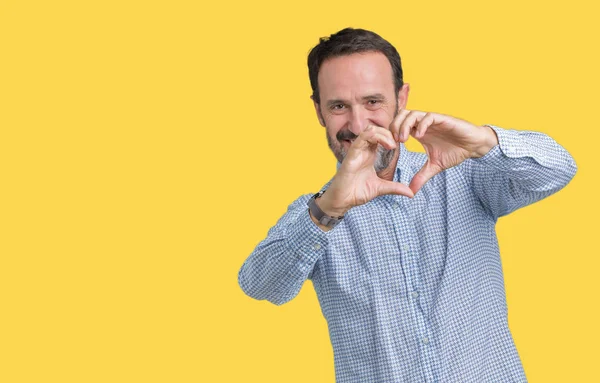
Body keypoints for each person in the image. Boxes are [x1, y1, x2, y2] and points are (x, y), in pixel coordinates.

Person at [237, 27, 577, 383]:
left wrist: (481, 141)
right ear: (319, 112)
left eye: (373, 102)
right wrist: (328, 210)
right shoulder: (315, 215)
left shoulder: (464, 175)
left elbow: (559, 168)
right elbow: (261, 285)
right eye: (339, 106)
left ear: (401, 98)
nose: (357, 124)